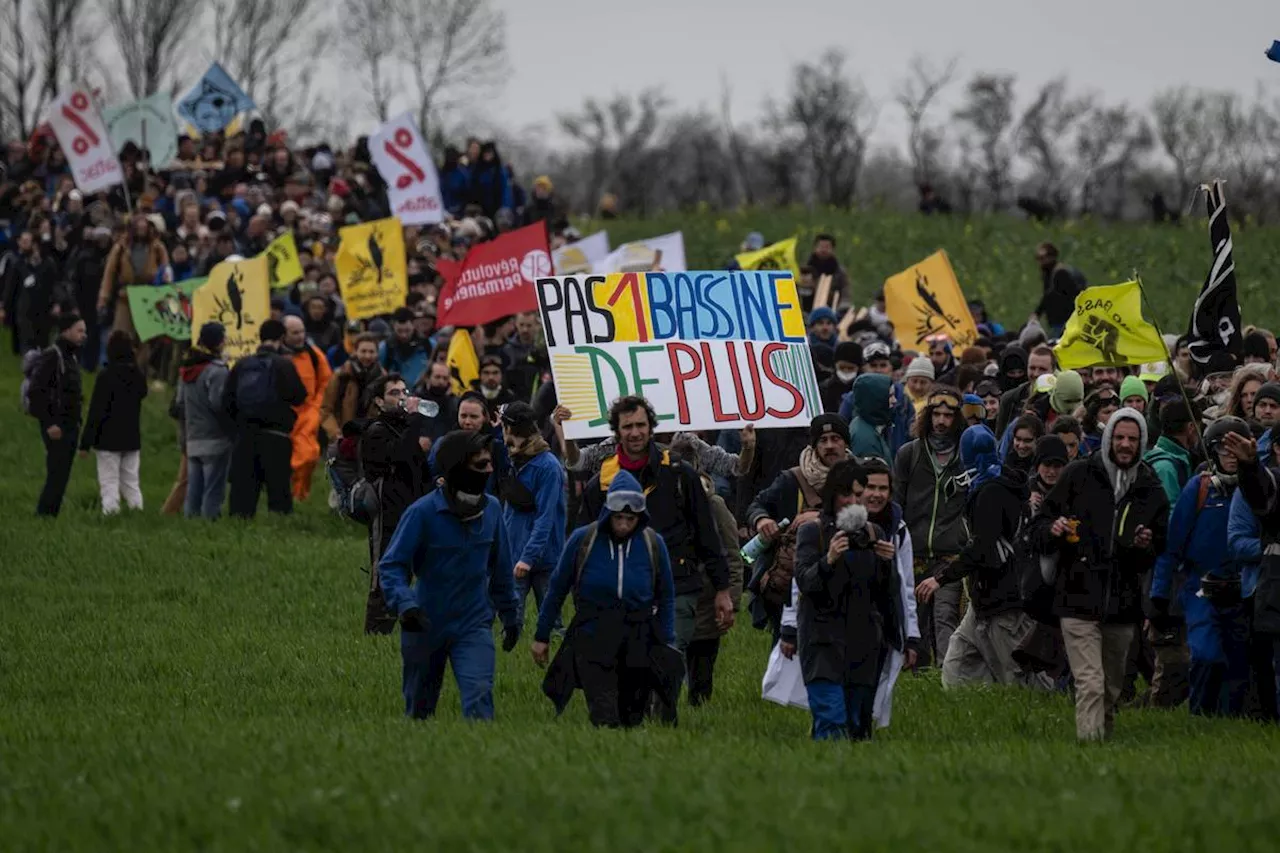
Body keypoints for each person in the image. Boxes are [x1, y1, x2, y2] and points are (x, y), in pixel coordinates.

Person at [578, 396, 733, 709]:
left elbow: (707, 534)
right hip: (620, 590)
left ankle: (663, 723)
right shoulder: (602, 483)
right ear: (616, 432)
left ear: (651, 428)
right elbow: (583, 542)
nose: (635, 433)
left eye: (641, 425)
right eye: (627, 427)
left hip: (678, 585)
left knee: (667, 658)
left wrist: (722, 590)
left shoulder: (680, 474)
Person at [1033, 408, 1169, 741]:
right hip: (1077, 597)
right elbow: (1038, 526)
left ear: (1142, 443)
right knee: (1090, 683)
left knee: (1110, 686)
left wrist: (1145, 544)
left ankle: (1102, 746)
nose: (1125, 444)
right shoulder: (1079, 474)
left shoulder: (1150, 486)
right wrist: (1054, 528)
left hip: (1122, 605)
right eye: (1119, 437)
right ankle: (1088, 749)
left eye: (1132, 439)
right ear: (1108, 438)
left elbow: (1161, 545)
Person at [377, 429, 523, 721]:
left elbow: (502, 569)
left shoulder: (492, 510)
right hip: (424, 624)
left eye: (490, 462)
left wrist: (511, 615)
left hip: (473, 623)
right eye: (481, 465)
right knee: (420, 710)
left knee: (480, 696)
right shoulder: (422, 513)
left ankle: (479, 761)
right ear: (457, 468)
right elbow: (392, 565)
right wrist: (405, 605)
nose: (490, 470)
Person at [532, 469, 680, 727]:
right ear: (607, 514)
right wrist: (541, 636)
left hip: (638, 638)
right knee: (604, 713)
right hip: (593, 635)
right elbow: (556, 589)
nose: (623, 525)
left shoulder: (652, 544)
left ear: (639, 517)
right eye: (618, 518)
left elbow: (666, 596)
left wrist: (667, 641)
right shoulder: (583, 540)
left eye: (630, 519)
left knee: (632, 717)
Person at [919, 425, 1049, 688]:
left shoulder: (989, 491)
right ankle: (969, 714)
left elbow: (982, 547)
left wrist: (941, 578)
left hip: (1003, 600)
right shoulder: (1002, 482)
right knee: (956, 669)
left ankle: (1047, 711)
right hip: (984, 599)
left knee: (1020, 679)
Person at [793, 459, 901, 740]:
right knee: (832, 722)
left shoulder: (874, 534)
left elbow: (885, 593)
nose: (853, 501)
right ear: (834, 495)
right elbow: (805, 582)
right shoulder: (813, 532)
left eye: (858, 495)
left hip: (863, 645)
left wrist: (886, 564)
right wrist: (828, 560)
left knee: (858, 727)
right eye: (847, 494)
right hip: (823, 643)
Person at [1151, 416, 1251, 716]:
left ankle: (1228, 722)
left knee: (1238, 663)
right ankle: (1199, 714)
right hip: (1201, 589)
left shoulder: (1255, 489)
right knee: (1207, 655)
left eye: (1238, 449)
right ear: (1211, 450)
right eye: (1223, 449)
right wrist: (1159, 594)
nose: (1231, 456)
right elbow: (1172, 544)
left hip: (1243, 590)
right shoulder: (1200, 487)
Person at [747, 414, 851, 638]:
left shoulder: (860, 477)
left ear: (846, 443)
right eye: (823, 440)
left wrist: (820, 517)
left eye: (836, 438)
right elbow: (757, 504)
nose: (830, 445)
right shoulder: (792, 478)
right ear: (813, 446)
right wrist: (762, 519)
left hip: (845, 577)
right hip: (792, 580)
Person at [893, 387, 968, 666]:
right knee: (916, 620)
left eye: (949, 415)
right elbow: (896, 504)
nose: (941, 421)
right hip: (914, 552)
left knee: (946, 617)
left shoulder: (967, 455)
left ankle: (948, 675)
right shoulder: (908, 454)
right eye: (936, 413)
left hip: (951, 553)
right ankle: (919, 675)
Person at [359, 374, 436, 634]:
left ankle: (410, 623)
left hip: (412, 511)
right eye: (394, 392)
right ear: (380, 401)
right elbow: (400, 455)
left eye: (405, 390)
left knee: (413, 571)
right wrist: (414, 421)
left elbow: (417, 469)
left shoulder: (402, 428)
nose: (403, 396)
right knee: (385, 570)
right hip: (388, 514)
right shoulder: (376, 431)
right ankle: (376, 632)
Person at [224, 319, 308, 518]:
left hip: (245, 434)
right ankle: (279, 525)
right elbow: (299, 396)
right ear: (282, 338)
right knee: (279, 488)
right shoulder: (284, 365)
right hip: (276, 434)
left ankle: (239, 524)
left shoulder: (242, 364)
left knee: (243, 488)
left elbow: (227, 400)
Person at [498, 402, 567, 624]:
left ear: (509, 429)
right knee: (511, 626)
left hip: (542, 558)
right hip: (514, 553)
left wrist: (528, 558)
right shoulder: (513, 457)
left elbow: (546, 518)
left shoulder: (548, 467)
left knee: (551, 626)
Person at [78, 331, 147, 514]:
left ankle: (110, 513)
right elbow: (143, 392)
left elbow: (96, 412)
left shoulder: (106, 377)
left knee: (109, 481)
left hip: (107, 440)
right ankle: (137, 511)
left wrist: (85, 443)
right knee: (131, 481)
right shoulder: (137, 376)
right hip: (131, 438)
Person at [27, 314, 86, 517]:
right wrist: (50, 422)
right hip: (55, 426)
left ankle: (51, 515)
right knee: (56, 473)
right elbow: (36, 392)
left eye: (84, 331)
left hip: (70, 425)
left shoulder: (72, 356)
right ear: (66, 331)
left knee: (62, 475)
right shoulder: (53, 356)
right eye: (79, 331)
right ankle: (43, 515)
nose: (83, 335)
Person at [179, 322, 234, 519]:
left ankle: (191, 524)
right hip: (215, 438)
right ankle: (209, 525)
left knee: (194, 488)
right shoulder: (217, 371)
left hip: (193, 437)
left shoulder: (186, 369)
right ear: (219, 342)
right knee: (213, 489)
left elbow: (179, 404)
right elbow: (219, 403)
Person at [282, 315, 333, 501]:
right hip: (283, 414)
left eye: (302, 331)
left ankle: (300, 493)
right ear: (284, 335)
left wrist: (316, 406)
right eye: (295, 332)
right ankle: (292, 493)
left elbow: (326, 382)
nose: (300, 336)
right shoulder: (278, 355)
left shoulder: (313, 354)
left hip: (308, 412)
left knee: (309, 454)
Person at [320, 333, 385, 441]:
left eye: (371, 352)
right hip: (344, 438)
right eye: (363, 351)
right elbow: (326, 409)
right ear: (355, 352)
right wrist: (336, 434)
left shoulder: (383, 379)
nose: (367, 356)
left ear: (377, 353)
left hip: (371, 441)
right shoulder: (341, 376)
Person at [996, 345, 1057, 438]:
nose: (1036, 374)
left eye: (1042, 369)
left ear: (1053, 370)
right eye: (1032, 368)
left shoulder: (1060, 399)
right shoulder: (1010, 398)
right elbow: (1000, 439)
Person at [1032, 242, 1084, 336]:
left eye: (1043, 258)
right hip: (1058, 322)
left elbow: (1051, 296)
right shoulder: (1049, 273)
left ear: (1052, 257)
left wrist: (1037, 313)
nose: (1040, 262)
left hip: (1064, 322)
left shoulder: (1060, 273)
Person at [847, 374, 894, 464]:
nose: (894, 400)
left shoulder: (869, 426)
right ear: (876, 399)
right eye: (890, 396)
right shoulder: (865, 438)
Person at [378, 307, 430, 389]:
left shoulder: (428, 345)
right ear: (393, 326)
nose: (404, 335)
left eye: (407, 331)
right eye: (399, 331)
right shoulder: (385, 347)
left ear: (414, 325)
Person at [820, 341, 862, 414]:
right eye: (842, 367)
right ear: (835, 366)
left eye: (851, 368)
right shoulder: (824, 388)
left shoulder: (863, 389)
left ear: (859, 368)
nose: (846, 371)